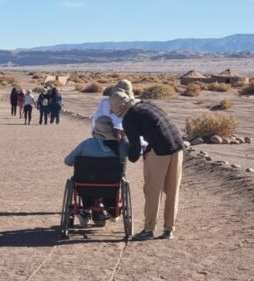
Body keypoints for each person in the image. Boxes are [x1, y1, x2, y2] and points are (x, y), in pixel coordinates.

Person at [109, 90, 184, 241]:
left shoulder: (129, 117)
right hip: (178, 147)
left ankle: (149, 230)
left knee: (152, 192)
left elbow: (135, 149)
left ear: (119, 107)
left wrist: (126, 155)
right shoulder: (147, 104)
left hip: (159, 151)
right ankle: (169, 230)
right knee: (172, 190)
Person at [65, 116, 129, 227]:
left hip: (85, 187)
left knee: (85, 180)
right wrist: (122, 138)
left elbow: (68, 161)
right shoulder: (119, 147)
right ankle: (112, 211)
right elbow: (128, 156)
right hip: (111, 188)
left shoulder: (86, 144)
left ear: (95, 130)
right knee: (110, 181)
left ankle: (85, 210)